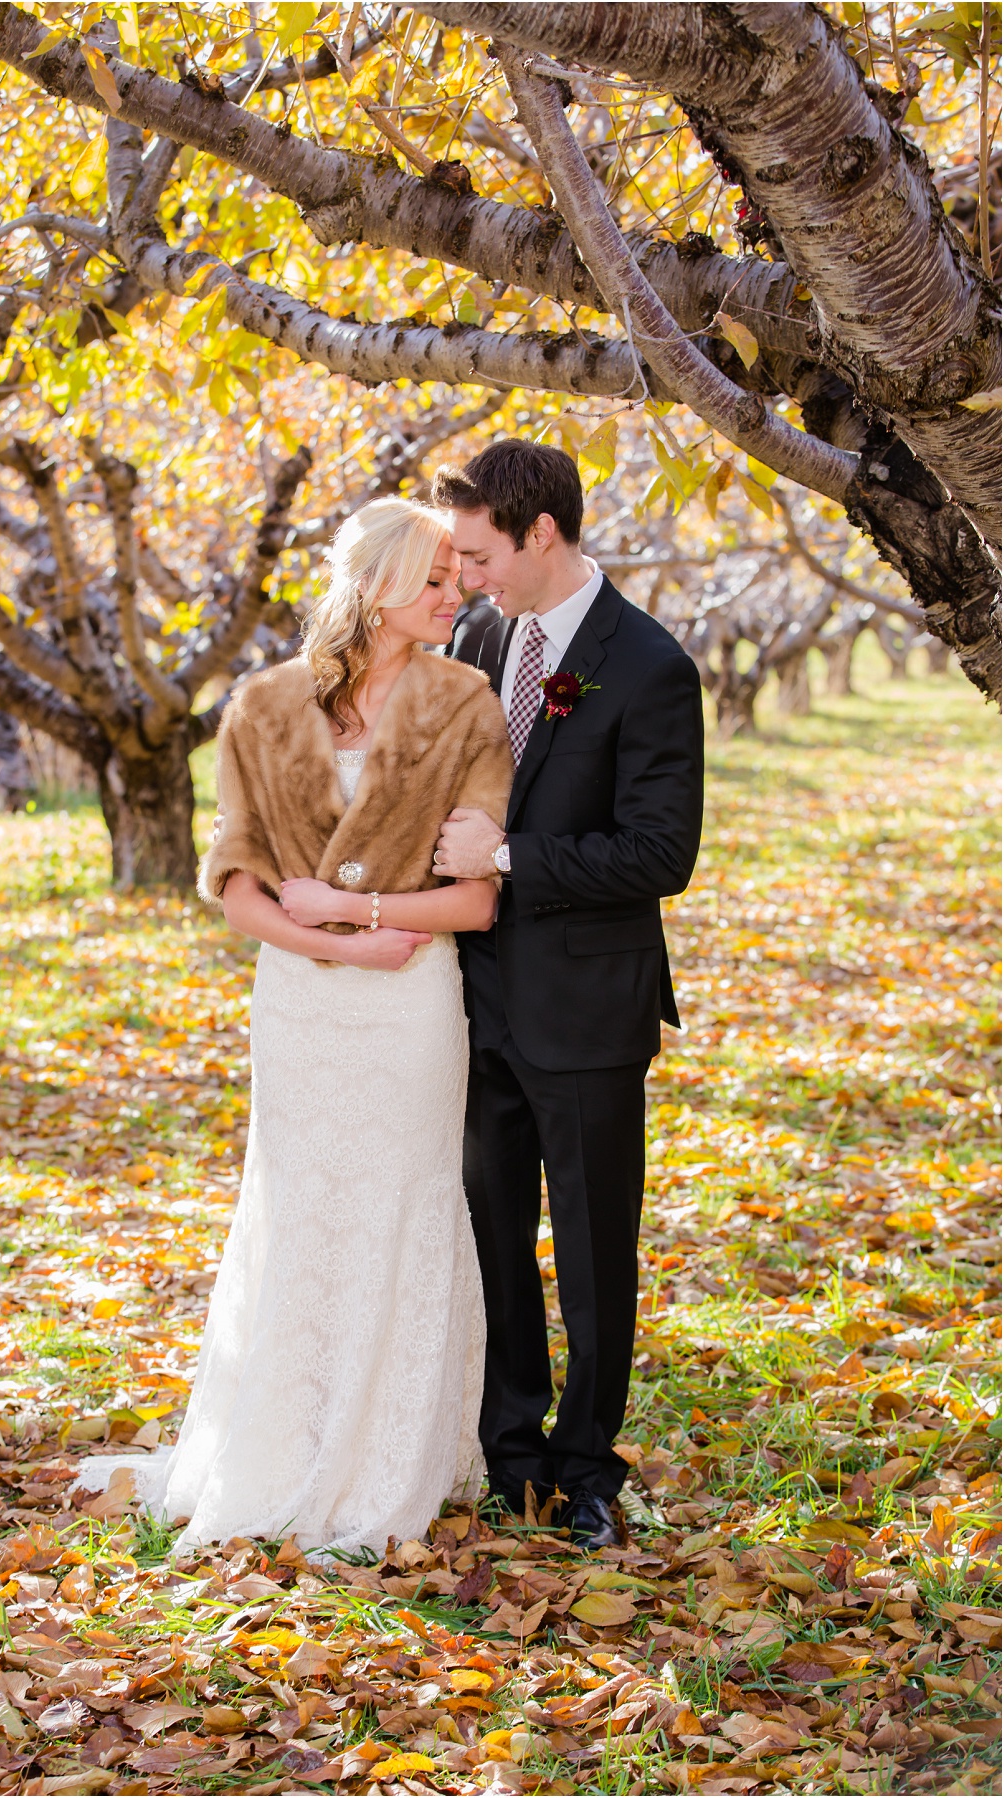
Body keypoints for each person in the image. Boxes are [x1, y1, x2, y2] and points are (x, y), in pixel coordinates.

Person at [80, 498, 513, 1556]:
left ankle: (386, 1460)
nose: (456, 598)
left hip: (411, 999)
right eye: (435, 582)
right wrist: (326, 940)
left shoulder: (469, 704)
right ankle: (286, 1436)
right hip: (303, 1007)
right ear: (374, 589)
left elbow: (474, 903)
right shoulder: (264, 708)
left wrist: (361, 918)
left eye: (459, 580)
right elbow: (234, 886)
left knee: (402, 1201)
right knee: (302, 1204)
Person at [430, 441, 705, 1549]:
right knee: (494, 1231)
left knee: (593, 1249)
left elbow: (658, 852)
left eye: (481, 553)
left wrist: (509, 860)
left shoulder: (648, 665)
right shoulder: (480, 636)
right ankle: (514, 1453)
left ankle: (590, 1468)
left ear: (540, 532)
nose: (468, 576)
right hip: (474, 998)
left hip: (588, 1010)